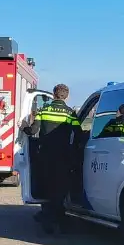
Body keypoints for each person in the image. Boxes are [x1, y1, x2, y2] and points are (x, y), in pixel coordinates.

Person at [22, 83, 79, 233]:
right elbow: (78, 133)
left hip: (45, 155)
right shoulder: (70, 114)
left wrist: (23, 127)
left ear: (54, 95)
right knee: (60, 187)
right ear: (66, 97)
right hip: (63, 156)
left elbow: (33, 130)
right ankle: (59, 217)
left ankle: (47, 216)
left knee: (47, 186)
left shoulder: (44, 110)